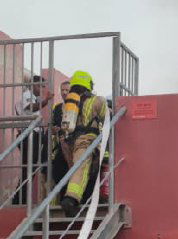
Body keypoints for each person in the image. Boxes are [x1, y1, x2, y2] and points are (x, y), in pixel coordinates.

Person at [60, 70, 108, 217]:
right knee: (82, 169)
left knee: (80, 169)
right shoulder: (97, 101)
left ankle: (81, 199)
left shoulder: (68, 104)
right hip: (89, 140)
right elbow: (107, 120)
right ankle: (71, 199)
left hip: (72, 142)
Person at [13, 75, 53, 204]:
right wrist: (45, 101)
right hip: (28, 136)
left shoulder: (35, 97)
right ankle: (19, 200)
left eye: (42, 86)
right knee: (28, 169)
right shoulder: (27, 95)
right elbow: (30, 108)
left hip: (34, 135)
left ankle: (21, 199)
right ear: (31, 85)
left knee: (32, 168)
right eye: (38, 86)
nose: (41, 89)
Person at [48, 77, 71, 195]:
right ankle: (63, 197)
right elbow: (51, 126)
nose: (64, 93)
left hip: (74, 145)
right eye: (62, 90)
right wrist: (53, 129)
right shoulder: (57, 108)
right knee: (57, 172)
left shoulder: (78, 106)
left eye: (67, 90)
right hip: (60, 146)